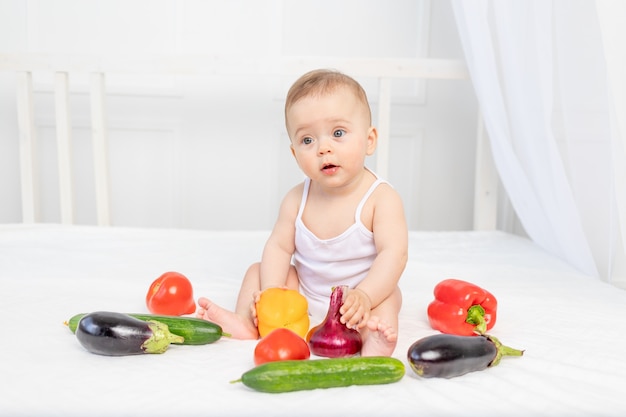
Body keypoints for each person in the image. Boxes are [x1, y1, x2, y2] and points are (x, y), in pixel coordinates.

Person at [196, 69, 408, 356]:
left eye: (338, 133)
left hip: (358, 299)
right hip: (303, 298)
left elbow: (394, 255)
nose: (324, 148)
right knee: (257, 271)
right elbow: (280, 247)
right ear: (295, 154)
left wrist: (366, 295)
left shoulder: (381, 198)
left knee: (389, 297)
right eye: (308, 140)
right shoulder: (297, 198)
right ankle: (247, 322)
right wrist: (272, 293)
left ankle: (374, 342)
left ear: (369, 140)